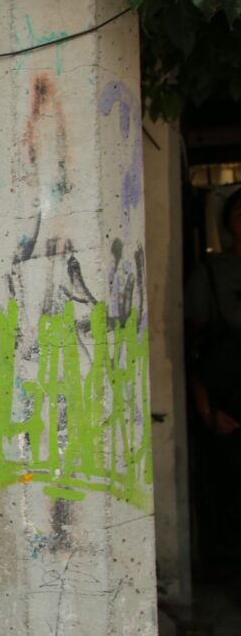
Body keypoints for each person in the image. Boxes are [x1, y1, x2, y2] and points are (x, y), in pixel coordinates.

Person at [185, 187, 241, 584]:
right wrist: (205, 408)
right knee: (232, 499)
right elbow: (193, 348)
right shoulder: (209, 273)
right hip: (230, 402)